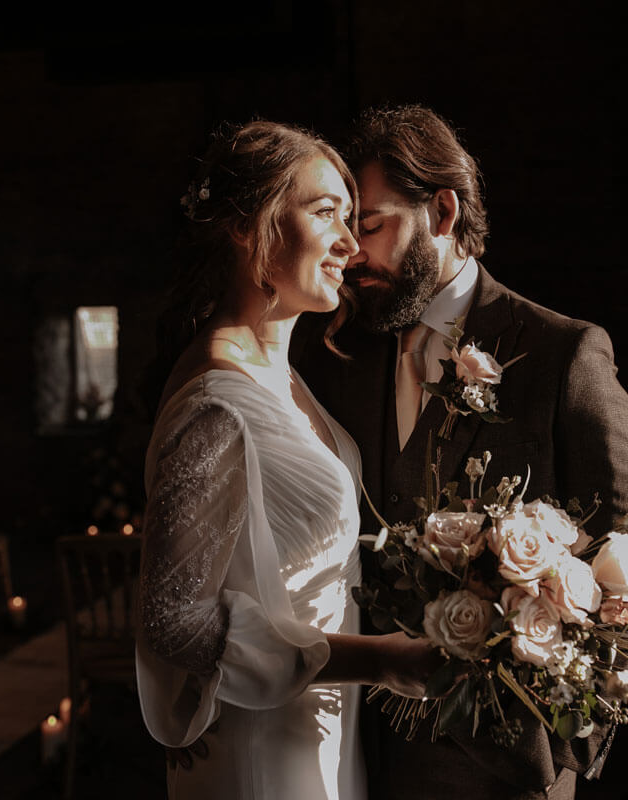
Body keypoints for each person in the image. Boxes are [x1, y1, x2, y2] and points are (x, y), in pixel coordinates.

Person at [296, 105, 628, 800]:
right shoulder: (344, 359)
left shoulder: (563, 354)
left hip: (506, 774)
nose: (351, 254)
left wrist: (557, 748)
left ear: (442, 211)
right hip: (359, 762)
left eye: (371, 225)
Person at [134, 120, 438, 800]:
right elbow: (173, 621)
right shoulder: (217, 406)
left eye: (353, 220)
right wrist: (378, 661)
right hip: (259, 750)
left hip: (323, 730)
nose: (349, 245)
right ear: (251, 226)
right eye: (326, 213)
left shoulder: (283, 375)